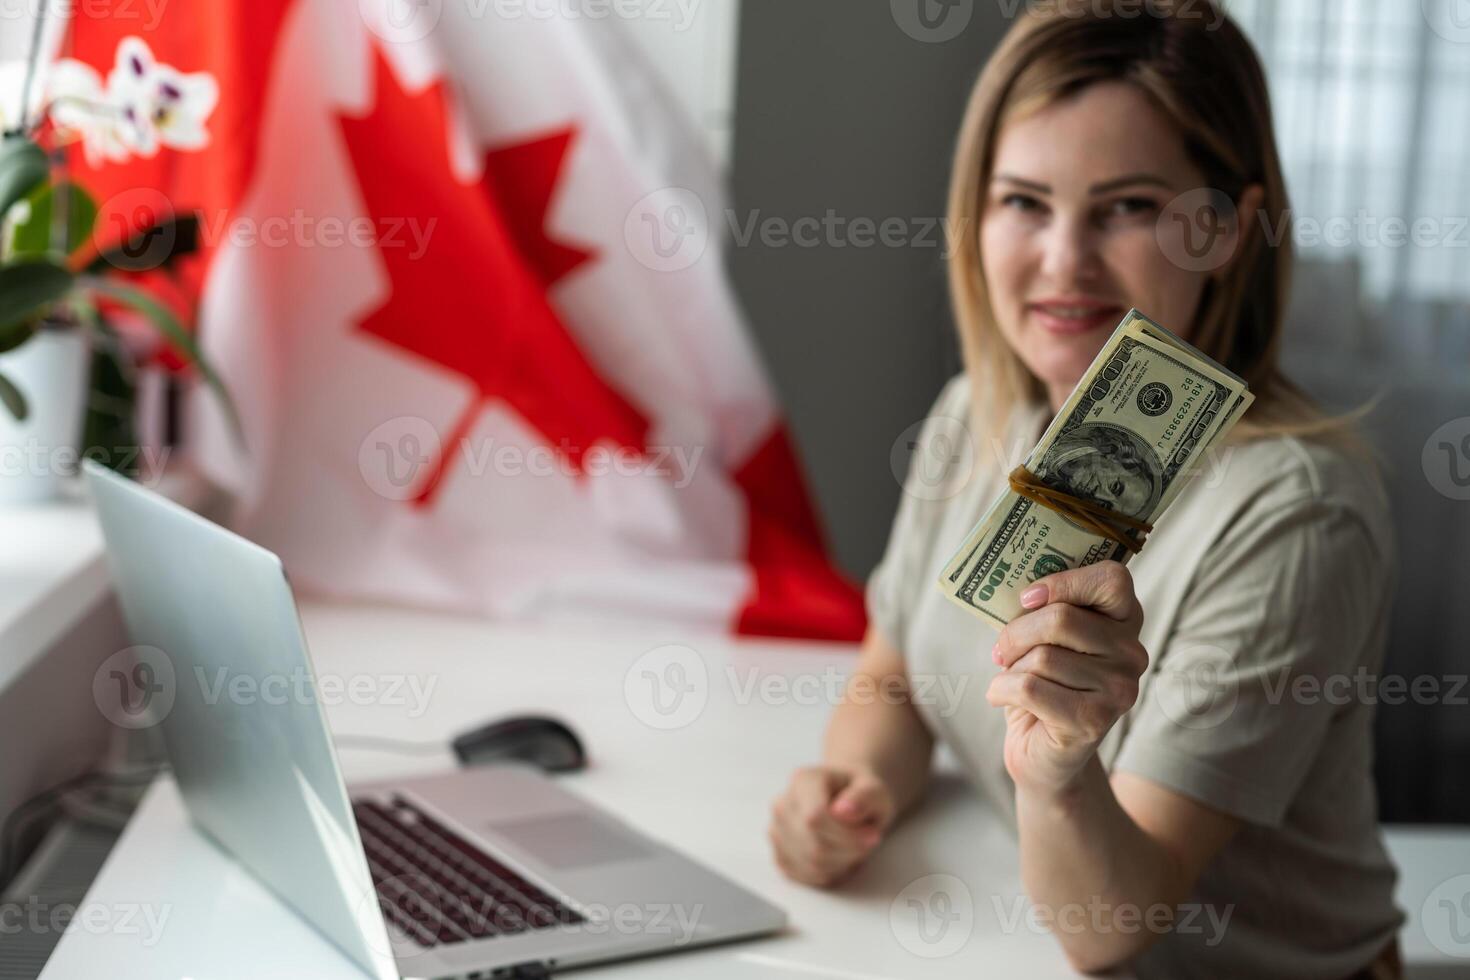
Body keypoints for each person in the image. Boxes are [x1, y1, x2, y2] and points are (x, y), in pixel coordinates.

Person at [766, 2, 1403, 978]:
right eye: (1024, 200)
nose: (1064, 261)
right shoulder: (970, 413)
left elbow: (1107, 925)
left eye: (1129, 206)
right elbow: (892, 675)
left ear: (1224, 229)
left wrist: (1059, 763)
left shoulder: (1297, 513)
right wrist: (851, 790)